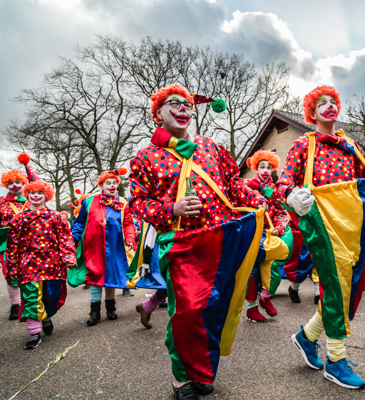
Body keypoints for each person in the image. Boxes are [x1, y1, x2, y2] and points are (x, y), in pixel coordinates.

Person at [128, 84, 268, 399]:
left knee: (213, 309)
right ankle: (181, 377)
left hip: (220, 241)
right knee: (187, 311)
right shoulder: (147, 156)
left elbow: (233, 182)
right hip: (180, 243)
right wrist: (170, 208)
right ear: (158, 112)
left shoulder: (212, 147)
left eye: (187, 104)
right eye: (173, 103)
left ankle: (201, 371)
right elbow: (136, 203)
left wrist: (256, 198)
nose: (182, 108)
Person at [276, 85, 365, 389]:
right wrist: (292, 195)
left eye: (333, 102)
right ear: (312, 112)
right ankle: (336, 359)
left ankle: (307, 337)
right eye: (322, 103)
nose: (329, 106)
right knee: (336, 284)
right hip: (319, 223)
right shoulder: (304, 144)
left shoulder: (351, 145)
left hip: (349, 225)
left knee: (340, 286)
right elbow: (283, 184)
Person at [6, 179, 76, 349]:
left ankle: (46, 317)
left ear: (46, 196)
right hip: (28, 266)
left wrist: (69, 257)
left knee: (49, 297)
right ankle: (34, 332)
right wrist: (12, 267)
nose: (36, 196)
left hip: (52, 266)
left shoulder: (57, 217)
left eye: (39, 193)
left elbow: (65, 239)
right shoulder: (18, 219)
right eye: (32, 193)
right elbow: (12, 245)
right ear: (27, 195)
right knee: (31, 298)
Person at [69, 169, 136, 326]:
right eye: (108, 183)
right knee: (94, 274)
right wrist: (73, 239)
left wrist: (130, 239)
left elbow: (128, 224)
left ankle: (111, 309)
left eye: (115, 183)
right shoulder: (89, 201)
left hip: (115, 246)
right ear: (101, 185)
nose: (112, 186)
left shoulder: (123, 203)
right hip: (93, 246)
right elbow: (79, 223)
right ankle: (94, 312)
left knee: (110, 274)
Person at [244, 149, 289, 322]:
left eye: (269, 167)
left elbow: (280, 211)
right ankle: (251, 308)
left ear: (273, 169)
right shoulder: (246, 186)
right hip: (252, 232)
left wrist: (279, 226)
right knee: (252, 269)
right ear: (255, 167)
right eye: (261, 166)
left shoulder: (274, 189)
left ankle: (265, 297)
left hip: (270, 233)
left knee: (271, 266)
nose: (265, 170)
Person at [0, 153, 36, 320]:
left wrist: (27, 166)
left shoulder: (31, 200)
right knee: (11, 273)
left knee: (30, 272)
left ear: (23, 183)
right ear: (6, 185)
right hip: (7, 243)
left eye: (18, 182)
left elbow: (38, 184)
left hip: (30, 242)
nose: (14, 185)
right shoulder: (1, 203)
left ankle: (30, 302)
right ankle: (15, 305)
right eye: (10, 183)